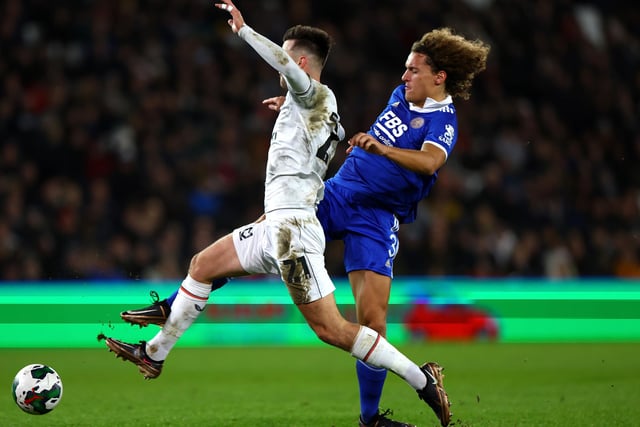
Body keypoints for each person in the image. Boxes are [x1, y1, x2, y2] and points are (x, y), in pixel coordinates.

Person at [120, 22, 489, 427]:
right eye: (405, 68)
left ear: (440, 77)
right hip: (337, 193)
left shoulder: (444, 121)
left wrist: (380, 146)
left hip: (377, 215)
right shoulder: (401, 95)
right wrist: (298, 109)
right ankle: (168, 316)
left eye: (413, 70)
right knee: (263, 226)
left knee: (373, 321)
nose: (404, 77)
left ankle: (373, 417)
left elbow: (431, 162)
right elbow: (328, 118)